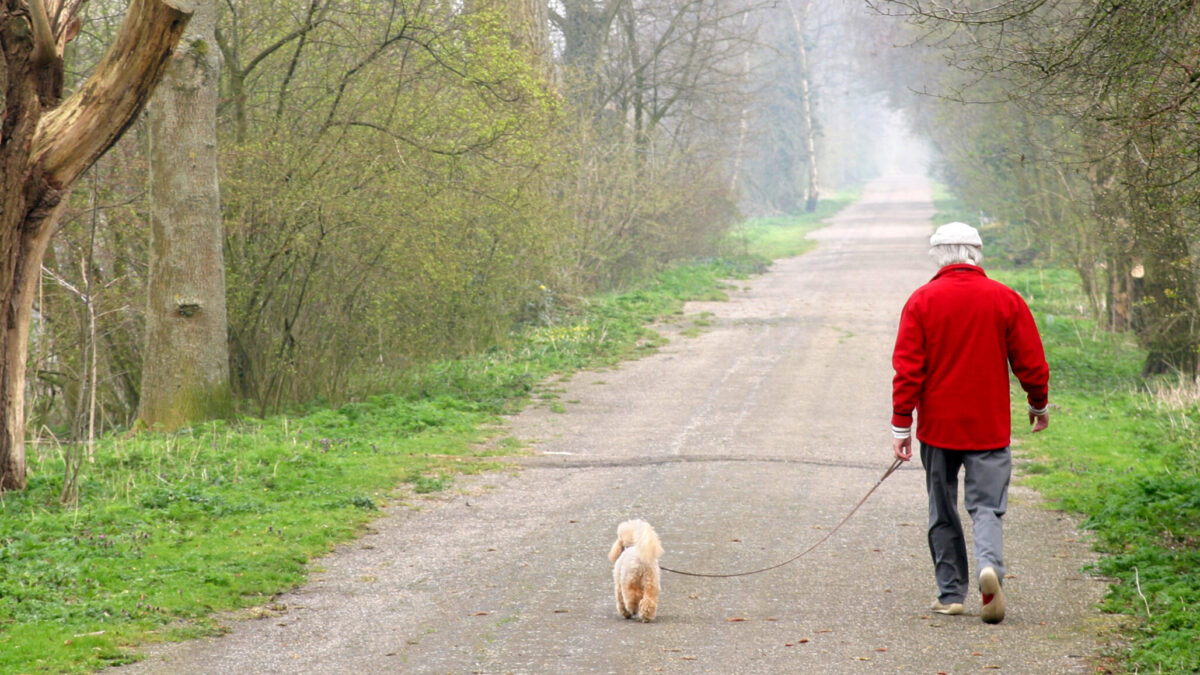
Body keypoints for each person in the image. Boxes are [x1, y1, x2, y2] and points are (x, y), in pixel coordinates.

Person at [890, 221, 1050, 624]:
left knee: (942, 508)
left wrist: (900, 425)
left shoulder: (922, 300)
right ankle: (989, 566)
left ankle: (950, 594)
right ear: (977, 253)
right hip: (988, 426)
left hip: (938, 429)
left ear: (939, 256)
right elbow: (1030, 361)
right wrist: (1039, 403)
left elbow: (908, 369)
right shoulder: (1005, 298)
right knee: (987, 508)